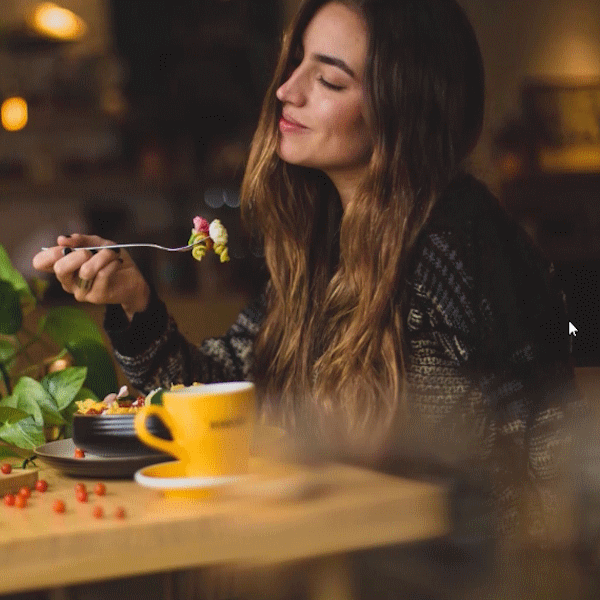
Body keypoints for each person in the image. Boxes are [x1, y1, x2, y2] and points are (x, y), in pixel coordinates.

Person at [34, 0, 582, 544]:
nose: (286, 90)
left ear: (404, 108)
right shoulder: (327, 244)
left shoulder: (452, 250)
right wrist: (135, 303)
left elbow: (497, 481)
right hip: (349, 555)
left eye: (329, 80)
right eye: (295, 63)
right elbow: (222, 400)